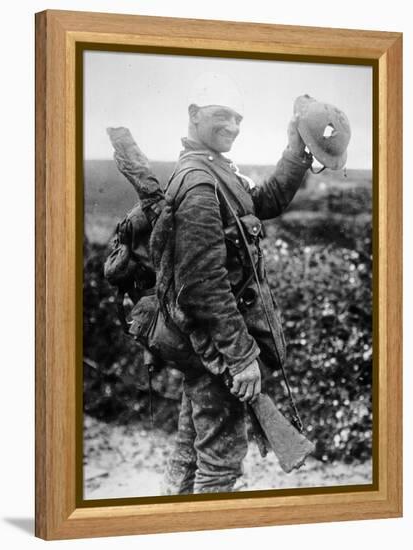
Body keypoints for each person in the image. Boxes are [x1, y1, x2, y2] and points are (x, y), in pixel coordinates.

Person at [146, 72, 313, 495]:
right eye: (223, 116)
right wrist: (241, 359)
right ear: (194, 115)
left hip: (203, 347)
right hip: (218, 350)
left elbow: (268, 199)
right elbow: (203, 285)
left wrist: (297, 145)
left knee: (191, 453)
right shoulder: (201, 184)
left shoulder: (217, 173)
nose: (234, 127)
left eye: (238, 118)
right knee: (219, 467)